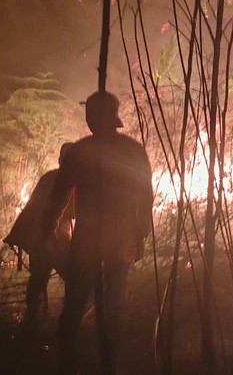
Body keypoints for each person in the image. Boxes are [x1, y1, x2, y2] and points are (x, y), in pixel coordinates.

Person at [44, 91, 154, 375]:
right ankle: (105, 361)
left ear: (95, 117)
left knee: (78, 300)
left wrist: (49, 224)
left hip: (92, 238)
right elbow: (145, 196)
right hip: (118, 237)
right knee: (111, 302)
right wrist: (141, 233)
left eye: (90, 114)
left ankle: (72, 361)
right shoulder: (131, 150)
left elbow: (59, 193)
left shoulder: (82, 151)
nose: (88, 119)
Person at [4, 142, 75, 330]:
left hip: (41, 239)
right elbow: (70, 211)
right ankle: (66, 321)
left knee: (39, 277)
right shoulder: (69, 181)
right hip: (51, 238)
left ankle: (33, 318)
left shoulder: (49, 177)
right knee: (71, 277)